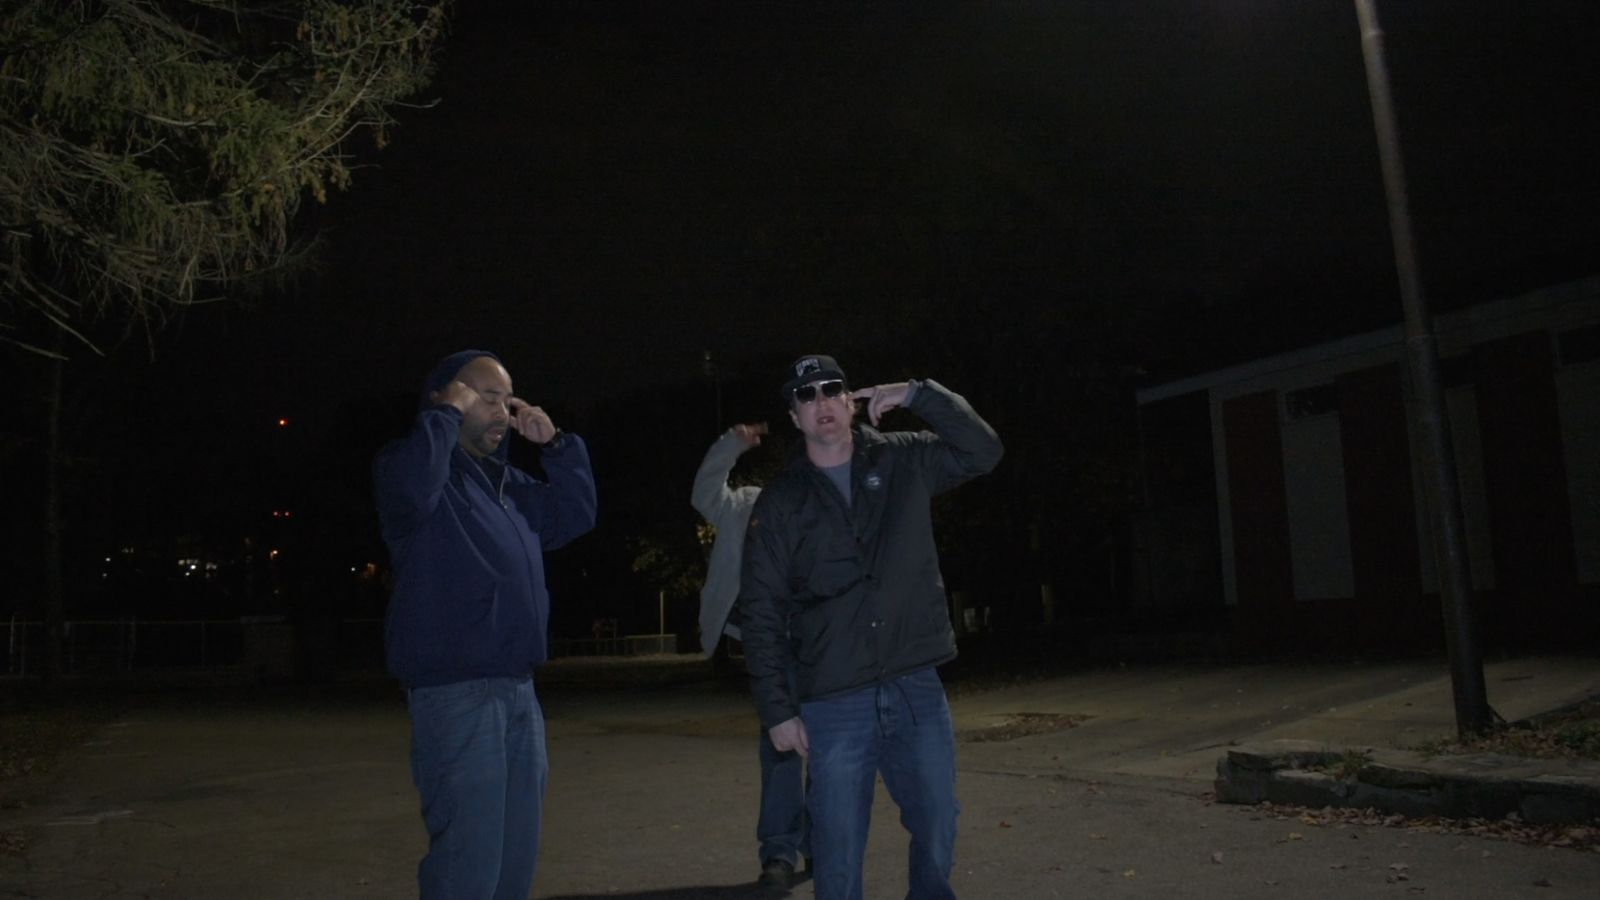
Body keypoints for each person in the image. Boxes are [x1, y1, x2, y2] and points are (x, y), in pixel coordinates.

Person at [739, 354, 1002, 900]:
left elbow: (983, 451)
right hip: (835, 698)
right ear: (794, 416)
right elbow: (761, 610)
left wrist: (918, 394)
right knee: (836, 846)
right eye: (805, 395)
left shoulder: (903, 458)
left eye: (831, 389)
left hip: (914, 683)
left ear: (850, 400)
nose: (821, 402)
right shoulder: (781, 500)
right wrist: (778, 710)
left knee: (938, 820)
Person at [373, 349, 597, 900]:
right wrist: (443, 417)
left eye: (508, 399)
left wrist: (558, 447)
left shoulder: (509, 485)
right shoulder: (414, 471)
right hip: (457, 693)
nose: (502, 411)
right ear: (445, 397)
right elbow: (409, 491)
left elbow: (574, 517)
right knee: (468, 863)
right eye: (487, 397)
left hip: (519, 689)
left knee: (515, 856)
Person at [691, 422, 809, 889]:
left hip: (820, 640)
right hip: (769, 642)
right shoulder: (744, 504)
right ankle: (779, 850)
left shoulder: (824, 505)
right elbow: (704, 493)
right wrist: (731, 445)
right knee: (780, 746)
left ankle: (821, 841)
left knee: (828, 746)